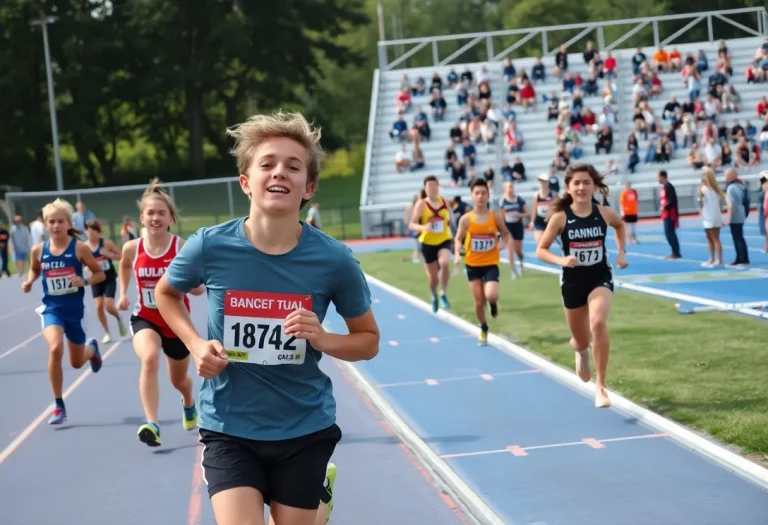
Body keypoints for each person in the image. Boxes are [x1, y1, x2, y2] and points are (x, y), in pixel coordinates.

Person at [154, 111, 380, 525]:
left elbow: (368, 340)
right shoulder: (209, 245)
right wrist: (195, 343)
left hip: (303, 426)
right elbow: (165, 294)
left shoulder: (334, 260)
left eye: (293, 166)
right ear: (246, 181)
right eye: (268, 163)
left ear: (307, 187)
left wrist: (323, 338)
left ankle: (319, 497)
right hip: (229, 425)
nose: (280, 172)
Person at [117, 179, 204, 447]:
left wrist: (195, 284)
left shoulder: (181, 248)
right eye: (150, 213)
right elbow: (124, 266)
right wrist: (122, 293)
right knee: (150, 357)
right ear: (142, 217)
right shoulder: (132, 248)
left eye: (161, 213)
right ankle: (152, 424)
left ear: (170, 218)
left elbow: (199, 288)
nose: (155, 217)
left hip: (176, 321)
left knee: (179, 380)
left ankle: (188, 401)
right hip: (146, 317)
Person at [534, 164, 628, 409]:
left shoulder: (604, 213)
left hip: (599, 277)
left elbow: (620, 226)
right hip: (573, 282)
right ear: (568, 188)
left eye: (586, 182)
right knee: (580, 339)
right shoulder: (560, 218)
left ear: (594, 186)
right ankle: (581, 351)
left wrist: (621, 252)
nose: (581, 187)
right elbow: (540, 250)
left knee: (598, 322)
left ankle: (601, 386)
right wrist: (561, 260)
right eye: (576, 183)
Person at [20, 198, 105, 424]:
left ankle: (92, 351)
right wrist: (29, 282)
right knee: (55, 347)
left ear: (69, 223)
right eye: (51, 222)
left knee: (76, 362)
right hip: (51, 309)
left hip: (74, 312)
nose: (55, 226)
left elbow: (100, 274)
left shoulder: (79, 248)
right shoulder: (38, 250)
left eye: (60, 221)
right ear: (45, 224)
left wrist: (84, 281)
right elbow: (34, 270)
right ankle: (58, 405)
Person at [454, 178, 511, 345]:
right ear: (472, 196)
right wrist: (458, 253)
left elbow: (506, 234)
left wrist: (503, 243)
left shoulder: (495, 217)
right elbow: (458, 238)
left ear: (487, 195)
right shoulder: (466, 219)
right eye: (477, 193)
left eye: (483, 193)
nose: (480, 196)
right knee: (479, 300)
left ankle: (493, 303)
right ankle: (484, 327)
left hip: (490, 263)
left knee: (491, 295)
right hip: (472, 264)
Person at [409, 175, 453, 313]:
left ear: (438, 187)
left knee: (445, 263)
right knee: (433, 278)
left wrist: (450, 222)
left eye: (434, 186)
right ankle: (434, 294)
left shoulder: (444, 201)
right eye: (429, 186)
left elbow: (450, 217)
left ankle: (443, 293)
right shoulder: (421, 204)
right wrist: (424, 227)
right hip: (427, 243)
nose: (432, 189)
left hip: (444, 239)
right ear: (425, 188)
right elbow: (411, 224)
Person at [84, 220, 127, 342]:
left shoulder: (106, 243)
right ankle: (107, 333)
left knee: (108, 306)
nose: (90, 233)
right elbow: (81, 263)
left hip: (108, 278)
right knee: (98, 307)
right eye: (88, 231)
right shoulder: (84, 247)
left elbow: (121, 256)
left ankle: (118, 317)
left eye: (93, 231)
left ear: (98, 232)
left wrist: (109, 255)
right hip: (96, 279)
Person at [497, 180, 527, 278]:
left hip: (518, 226)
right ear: (505, 189)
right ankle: (513, 270)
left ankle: (521, 262)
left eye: (511, 187)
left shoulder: (519, 200)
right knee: (510, 249)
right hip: (507, 227)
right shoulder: (502, 201)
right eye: (508, 187)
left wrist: (520, 215)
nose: (510, 189)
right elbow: (501, 217)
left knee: (518, 251)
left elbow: (528, 213)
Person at [723, 168, 750, 266]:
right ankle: (742, 257)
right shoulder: (740, 185)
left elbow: (731, 204)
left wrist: (728, 219)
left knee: (737, 237)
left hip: (736, 215)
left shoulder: (731, 188)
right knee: (739, 237)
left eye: (726, 175)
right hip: (741, 212)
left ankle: (741, 257)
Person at [698, 168, 724, 267]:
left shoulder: (703, 188)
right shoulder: (716, 189)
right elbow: (720, 204)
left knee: (711, 238)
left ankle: (715, 259)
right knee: (715, 238)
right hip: (716, 215)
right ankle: (716, 259)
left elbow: (700, 202)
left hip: (708, 216)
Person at [657, 170, 681, 259]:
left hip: (670, 214)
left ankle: (676, 252)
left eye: (658, 177)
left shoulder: (669, 187)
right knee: (668, 234)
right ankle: (674, 251)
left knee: (670, 233)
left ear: (663, 177)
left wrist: (665, 207)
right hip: (666, 214)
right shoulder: (664, 187)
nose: (657, 179)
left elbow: (672, 200)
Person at [529, 173, 558, 246]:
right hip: (539, 221)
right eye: (541, 181)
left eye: (544, 181)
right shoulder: (536, 195)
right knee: (539, 243)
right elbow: (534, 209)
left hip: (550, 221)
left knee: (549, 243)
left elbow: (558, 208)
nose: (543, 183)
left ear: (548, 182)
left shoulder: (554, 194)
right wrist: (532, 221)